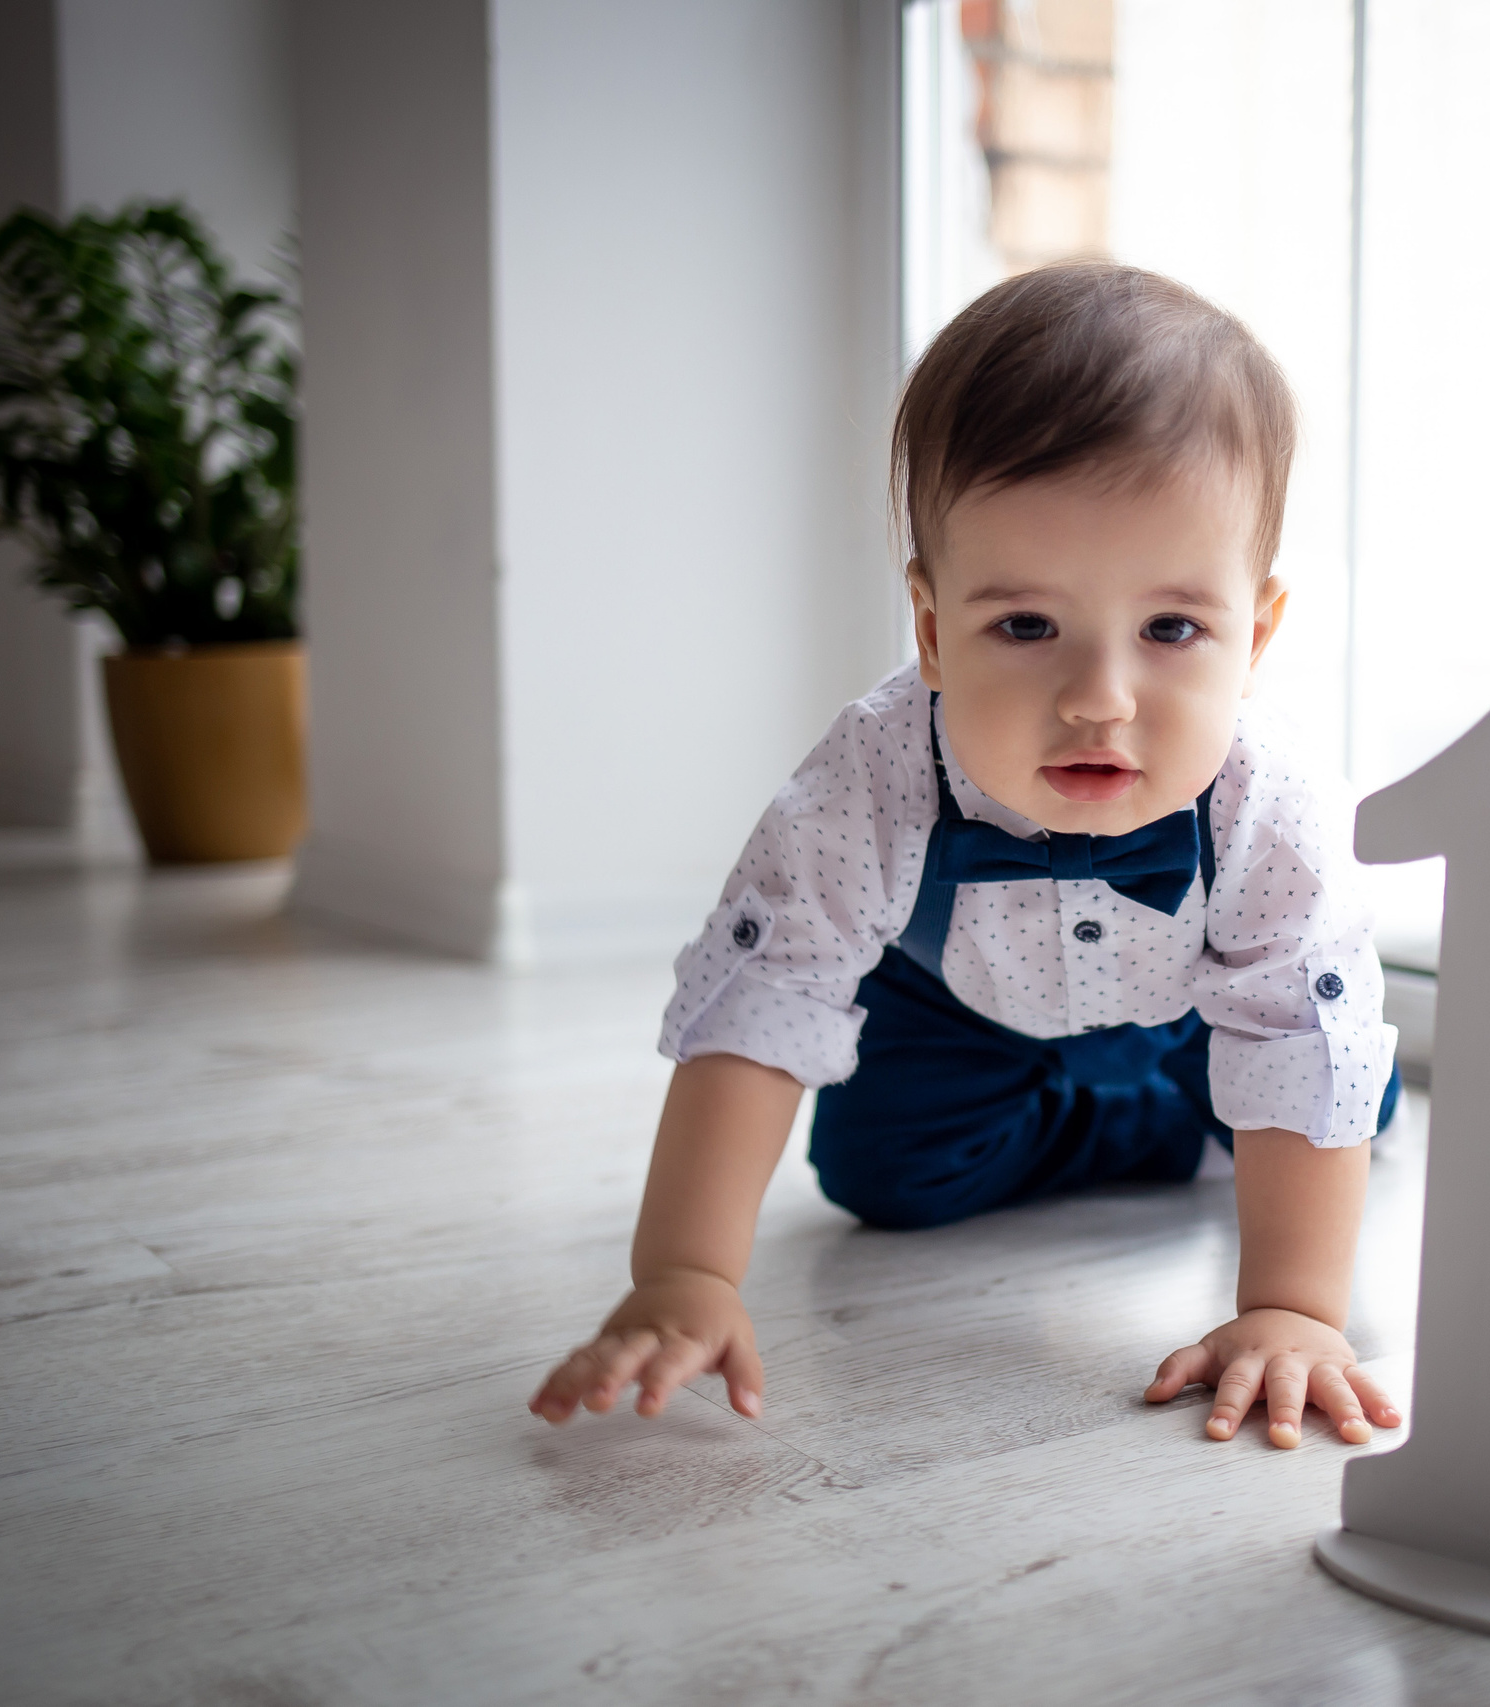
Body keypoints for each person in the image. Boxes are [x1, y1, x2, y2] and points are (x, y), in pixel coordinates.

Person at [529, 261, 1402, 1451]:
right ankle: (1157, 1123)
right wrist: (685, 1270)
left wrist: (1293, 1310)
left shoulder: (1268, 802)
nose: (1099, 698)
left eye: (1172, 629)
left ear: (1255, 636)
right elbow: (768, 997)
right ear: (935, 632)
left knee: (1333, 1091)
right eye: (1026, 626)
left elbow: (1296, 1029)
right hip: (954, 1000)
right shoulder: (874, 768)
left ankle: (1181, 1101)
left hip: (1190, 999)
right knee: (885, 1180)